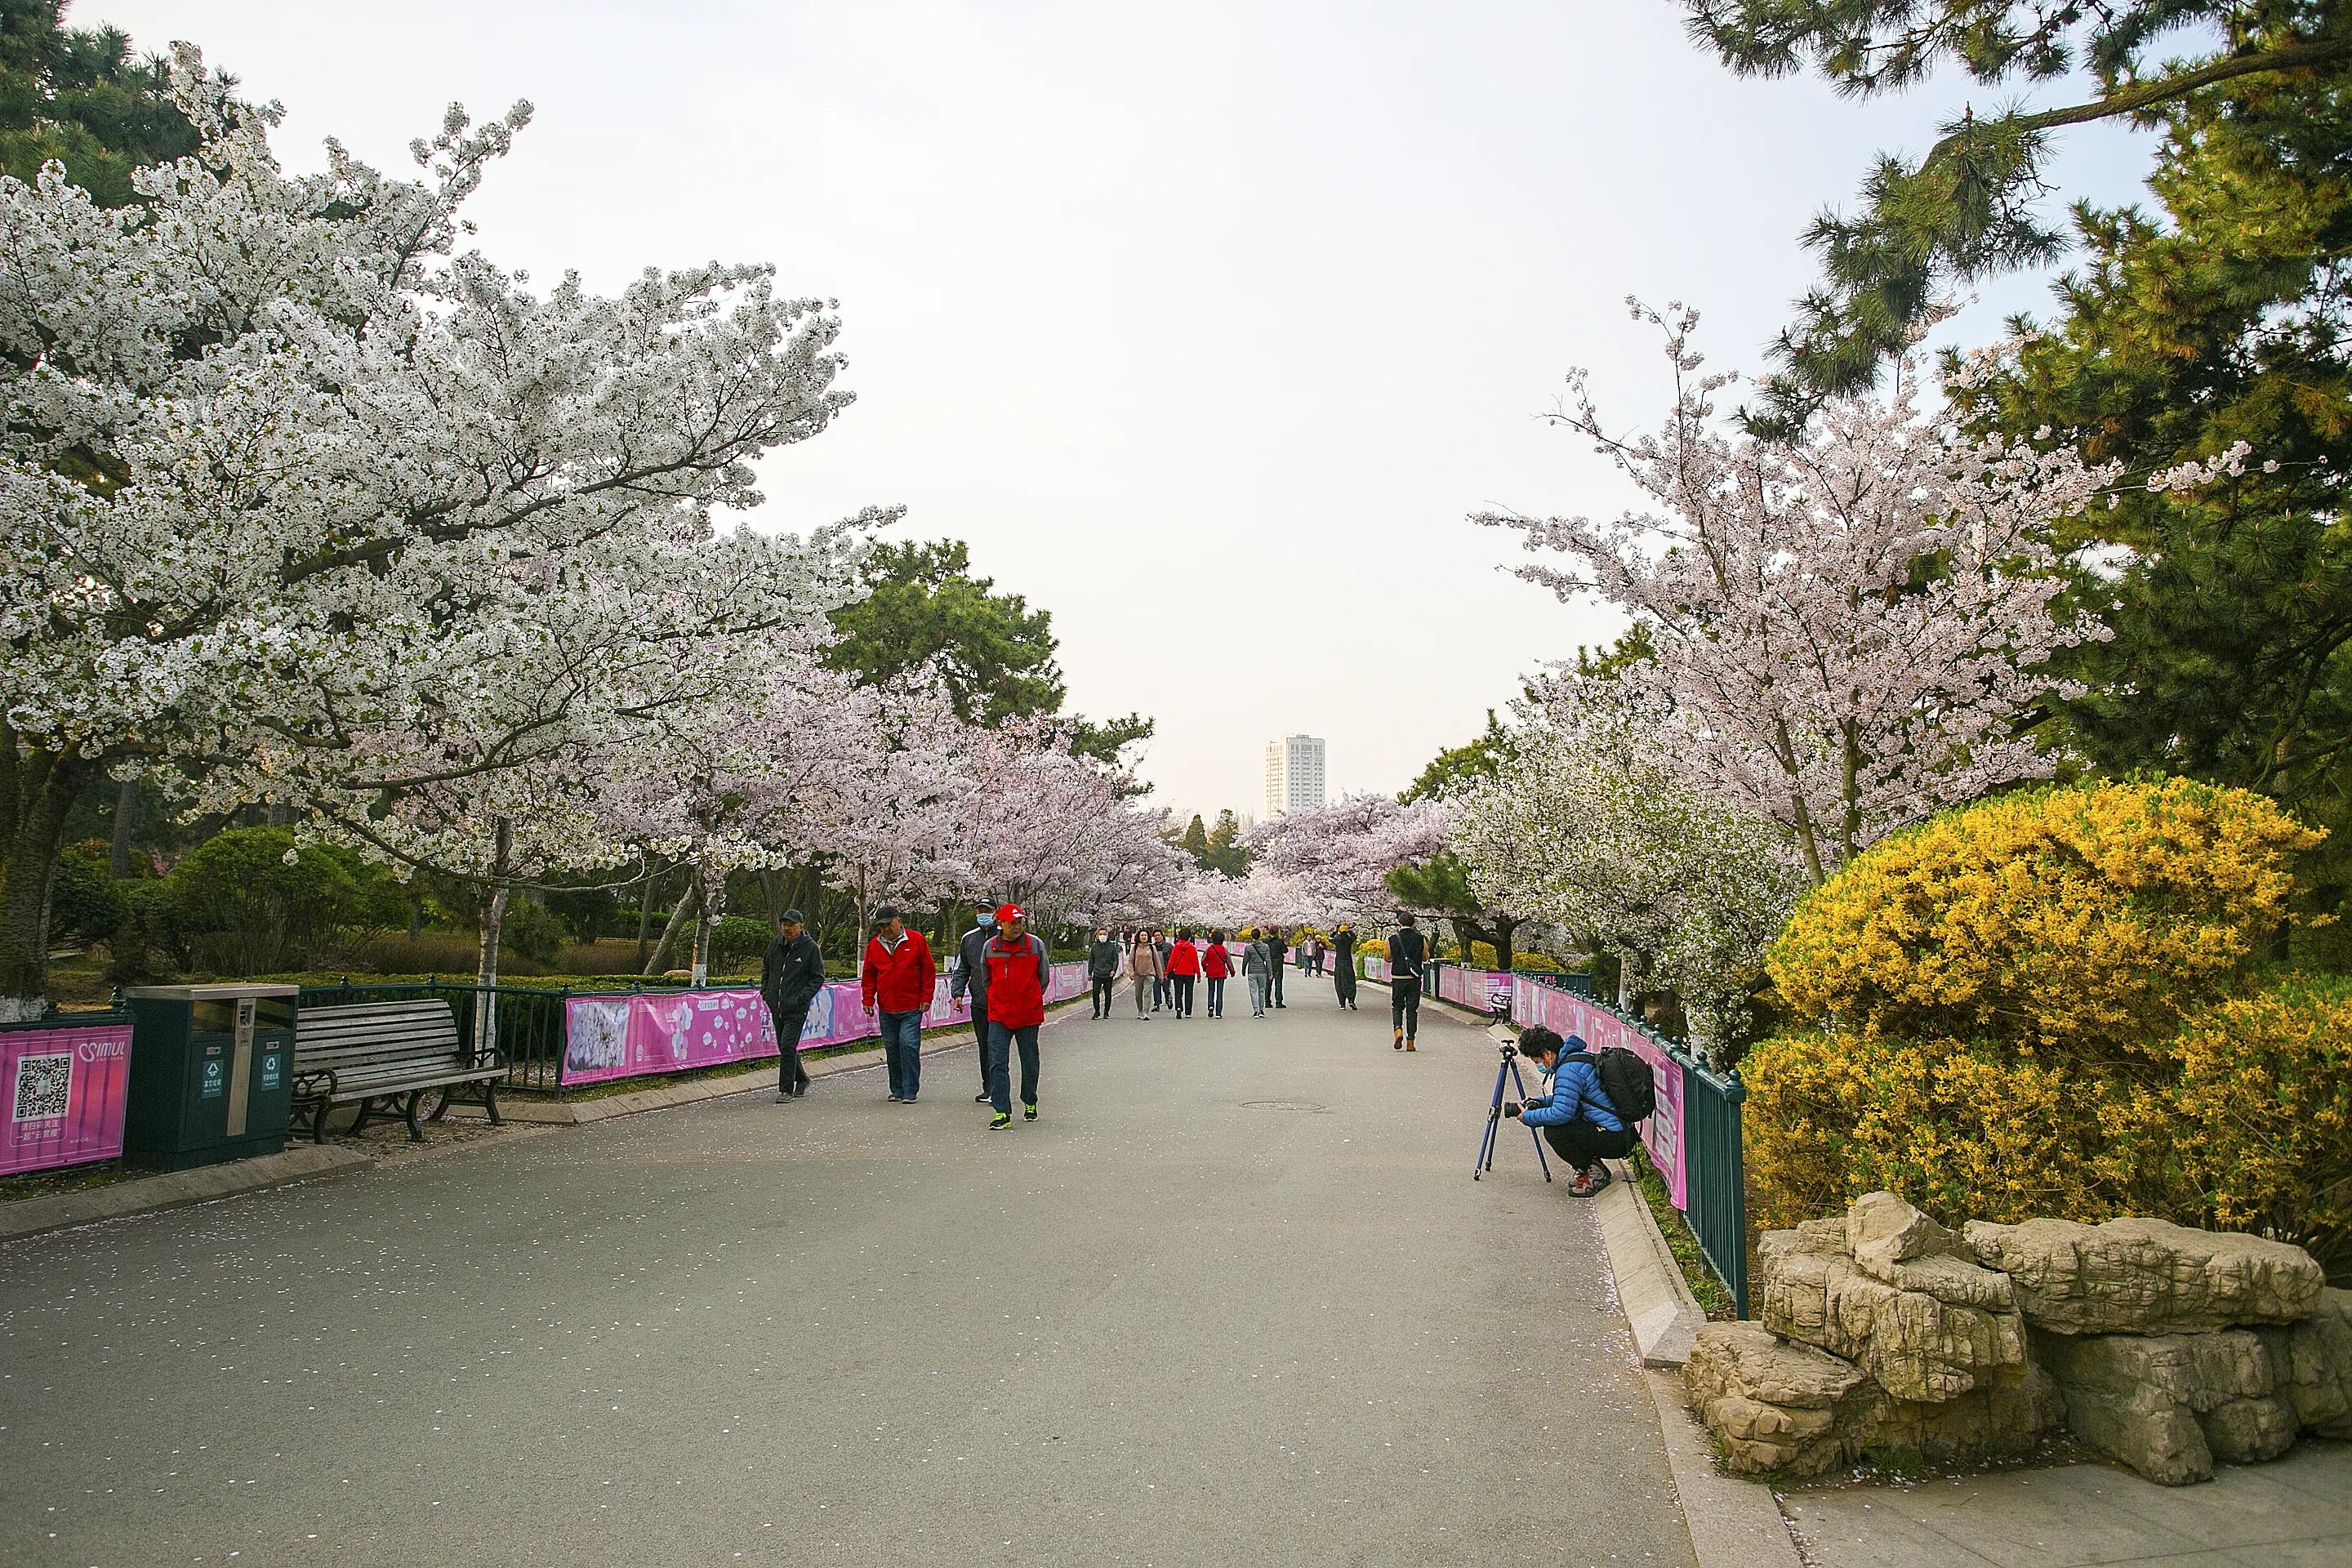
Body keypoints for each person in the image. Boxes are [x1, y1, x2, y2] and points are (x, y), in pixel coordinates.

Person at [1505, 1026, 1633, 1196]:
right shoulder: (1576, 1059)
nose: (1539, 1066)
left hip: (1614, 1138)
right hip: (1622, 1133)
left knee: (1554, 1131)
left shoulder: (1568, 1071)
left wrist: (1528, 1117)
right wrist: (1540, 1102)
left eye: (1537, 1061)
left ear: (1547, 1054)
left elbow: (1560, 1113)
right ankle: (1590, 1169)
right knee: (1561, 1126)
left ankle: (1594, 1173)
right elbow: (1571, 1098)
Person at [981, 902, 1052, 1129]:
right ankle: (1002, 1111)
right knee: (997, 1062)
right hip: (998, 1015)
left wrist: (1029, 997)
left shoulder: (1035, 945)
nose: (1017, 926)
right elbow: (986, 980)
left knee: (1030, 1061)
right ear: (1000, 924)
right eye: (1012, 923)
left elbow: (1044, 978)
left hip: (1028, 1015)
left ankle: (1029, 1100)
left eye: (1020, 922)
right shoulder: (990, 947)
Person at [861, 905, 937, 1104]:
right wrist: (868, 998)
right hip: (886, 1007)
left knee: (908, 1045)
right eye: (882, 926)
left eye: (889, 924)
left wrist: (926, 996)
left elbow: (928, 970)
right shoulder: (874, 946)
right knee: (892, 1048)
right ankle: (897, 1088)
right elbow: (869, 974)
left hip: (911, 1006)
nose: (886, 929)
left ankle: (911, 1089)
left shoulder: (916, 940)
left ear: (899, 920)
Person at [760, 908, 824, 1099]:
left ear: (800, 926)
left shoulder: (810, 947)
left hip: (796, 1007)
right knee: (784, 1046)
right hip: (776, 1004)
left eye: (790, 924)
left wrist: (802, 997)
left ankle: (786, 1089)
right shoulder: (776, 944)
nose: (786, 928)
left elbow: (818, 977)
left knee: (788, 1045)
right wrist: (766, 990)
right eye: (784, 924)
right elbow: (767, 967)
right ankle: (802, 1078)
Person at [949, 903, 999, 1103]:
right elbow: (962, 969)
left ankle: (999, 1086)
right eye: (980, 911)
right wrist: (958, 993)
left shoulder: (1005, 936)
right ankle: (988, 1087)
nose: (983, 915)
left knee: (998, 1046)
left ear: (995, 913)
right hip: (979, 1001)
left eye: (987, 911)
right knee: (985, 1046)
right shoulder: (968, 939)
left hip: (1002, 1002)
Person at [1388, 913, 1428, 1050]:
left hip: (1398, 978)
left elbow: (1387, 957)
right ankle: (1411, 1042)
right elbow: (1425, 957)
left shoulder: (1392, 939)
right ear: (1413, 924)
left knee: (1397, 1006)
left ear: (1399, 924)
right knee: (1412, 1010)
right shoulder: (1420, 939)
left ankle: (1398, 1030)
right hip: (1414, 979)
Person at [1086, 925, 1121, 1019]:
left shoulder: (1112, 946)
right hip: (1097, 973)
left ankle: (1106, 1012)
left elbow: (1115, 959)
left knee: (1108, 993)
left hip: (1108, 973)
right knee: (1095, 993)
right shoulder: (1094, 947)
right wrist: (1090, 973)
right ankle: (1097, 1012)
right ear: (1097, 936)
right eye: (1100, 934)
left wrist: (1114, 970)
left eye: (1104, 934)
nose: (1102, 936)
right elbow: (1091, 960)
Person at [1127, 928, 1161, 1020]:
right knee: (1138, 994)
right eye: (1142, 935)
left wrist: (1160, 975)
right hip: (1138, 974)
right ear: (1139, 937)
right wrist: (1131, 972)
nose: (1144, 937)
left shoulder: (1151, 948)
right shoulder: (1135, 948)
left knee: (1148, 993)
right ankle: (1140, 1011)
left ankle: (1146, 1012)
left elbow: (1157, 962)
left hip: (1149, 974)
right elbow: (1130, 961)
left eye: (1145, 935)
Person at [1165, 929, 1200, 1018]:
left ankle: (1178, 1008)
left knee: (1178, 992)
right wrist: (1198, 975)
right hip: (1190, 973)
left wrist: (1167, 972)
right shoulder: (1192, 948)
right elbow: (1195, 962)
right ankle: (1188, 1013)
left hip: (1178, 972)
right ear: (1189, 937)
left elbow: (1172, 961)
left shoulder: (1176, 947)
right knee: (1189, 992)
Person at [1241, 926, 1273, 1017]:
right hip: (1263, 971)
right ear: (1260, 936)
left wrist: (1243, 970)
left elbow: (1245, 960)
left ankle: (1256, 1010)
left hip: (1252, 971)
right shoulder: (1266, 947)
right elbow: (1268, 960)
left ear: (1252, 936)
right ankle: (1262, 1010)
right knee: (1262, 990)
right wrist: (1270, 972)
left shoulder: (1248, 948)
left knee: (1253, 991)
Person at [1201, 929, 1232, 1018]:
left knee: (1211, 991)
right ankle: (1218, 1013)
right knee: (1220, 992)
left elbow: (1203, 960)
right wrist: (1232, 971)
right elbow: (1229, 961)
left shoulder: (1209, 949)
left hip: (1211, 972)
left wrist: (1205, 968)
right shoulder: (1224, 950)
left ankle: (1211, 1006)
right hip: (1221, 973)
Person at [1331, 923, 1358, 1010]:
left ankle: (1342, 1004)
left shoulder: (1337, 939)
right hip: (1348, 964)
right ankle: (1351, 1000)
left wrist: (1336, 931)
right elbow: (1354, 937)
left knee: (1339, 983)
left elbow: (1330, 938)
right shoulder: (1349, 940)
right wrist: (1349, 931)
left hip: (1339, 964)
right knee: (1350, 982)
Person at [1267, 925, 1288, 1007]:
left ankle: (1267, 1001)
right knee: (1278, 983)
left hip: (1269, 963)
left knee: (1268, 983)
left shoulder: (1265, 941)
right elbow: (1285, 950)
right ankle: (1278, 1002)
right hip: (1278, 964)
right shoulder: (1280, 941)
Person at [1152, 929, 1173, 1011]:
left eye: (1158, 935)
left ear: (1162, 936)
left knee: (1166, 988)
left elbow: (1172, 959)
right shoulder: (1152, 947)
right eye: (1155, 936)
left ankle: (1168, 998)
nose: (1157, 937)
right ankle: (1157, 1004)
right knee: (1156, 988)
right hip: (1155, 972)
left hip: (1166, 971)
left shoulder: (1169, 947)